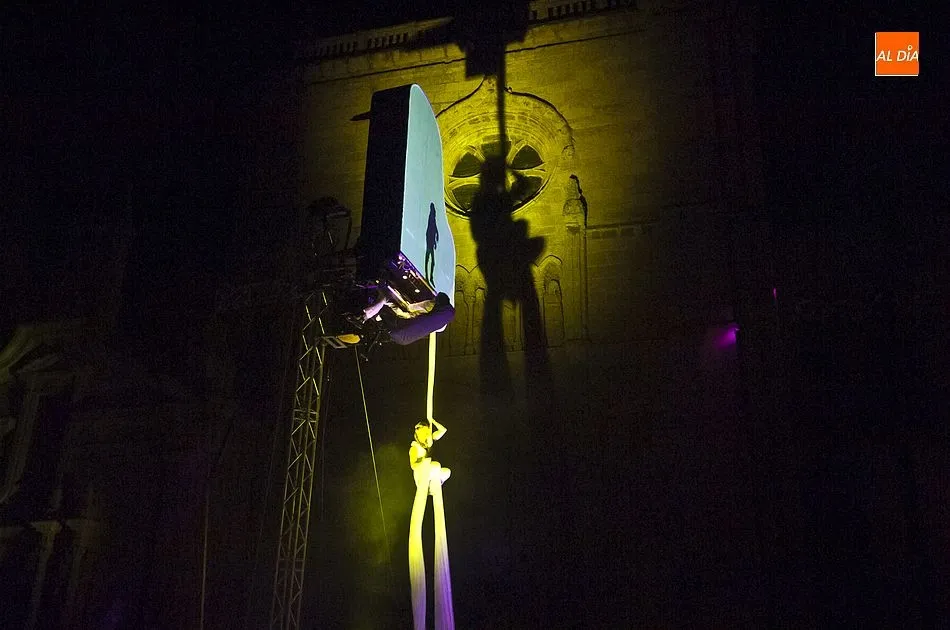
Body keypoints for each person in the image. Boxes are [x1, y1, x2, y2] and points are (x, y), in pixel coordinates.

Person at [409, 419, 450, 492]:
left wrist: (432, 421)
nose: (426, 434)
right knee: (436, 466)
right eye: (424, 432)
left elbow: (443, 430)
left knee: (447, 472)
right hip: (420, 476)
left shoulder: (428, 442)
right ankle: (428, 486)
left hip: (429, 474)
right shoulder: (414, 448)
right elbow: (413, 466)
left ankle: (432, 486)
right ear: (418, 433)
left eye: (427, 432)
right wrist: (423, 462)